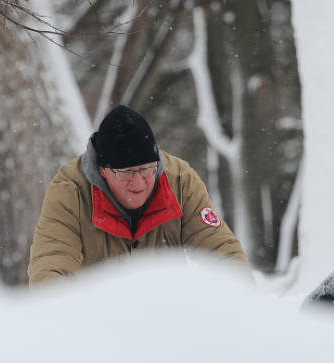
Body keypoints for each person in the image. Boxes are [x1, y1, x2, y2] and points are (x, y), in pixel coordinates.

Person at [27, 105, 249, 289]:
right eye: (125, 173)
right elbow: (51, 267)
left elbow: (223, 253)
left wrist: (240, 308)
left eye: (146, 169)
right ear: (102, 170)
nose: (138, 182)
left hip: (167, 319)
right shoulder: (70, 192)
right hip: (98, 325)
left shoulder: (180, 182)